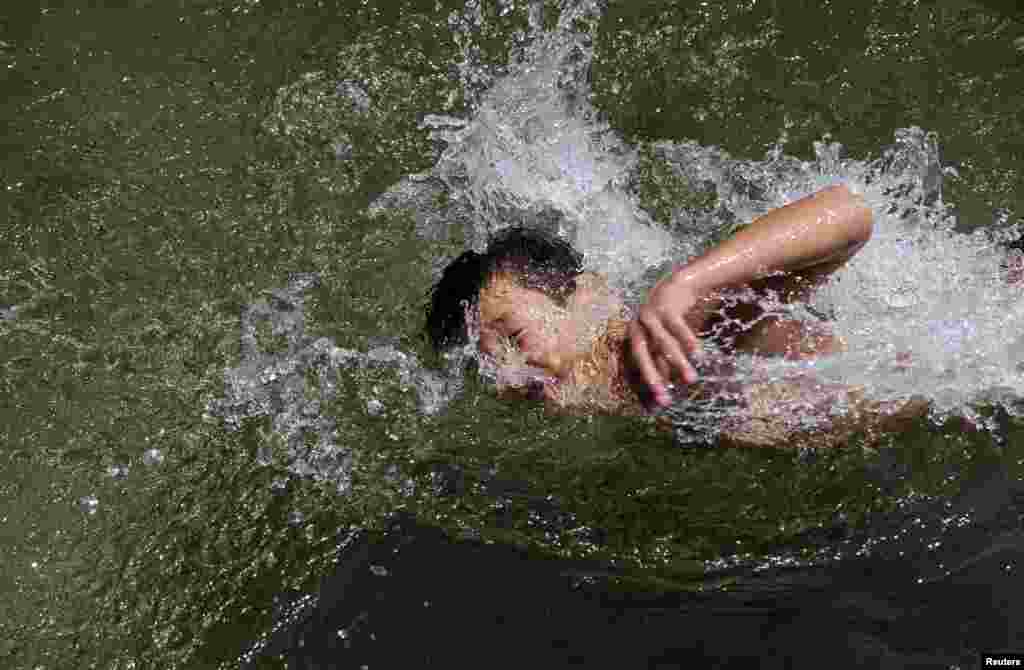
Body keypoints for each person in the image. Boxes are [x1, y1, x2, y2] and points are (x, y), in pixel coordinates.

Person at [425, 185, 930, 448]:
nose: (510, 379)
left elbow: (851, 213)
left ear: (585, 296)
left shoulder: (655, 347)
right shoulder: (624, 403)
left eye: (514, 336)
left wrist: (690, 284)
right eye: (487, 366)